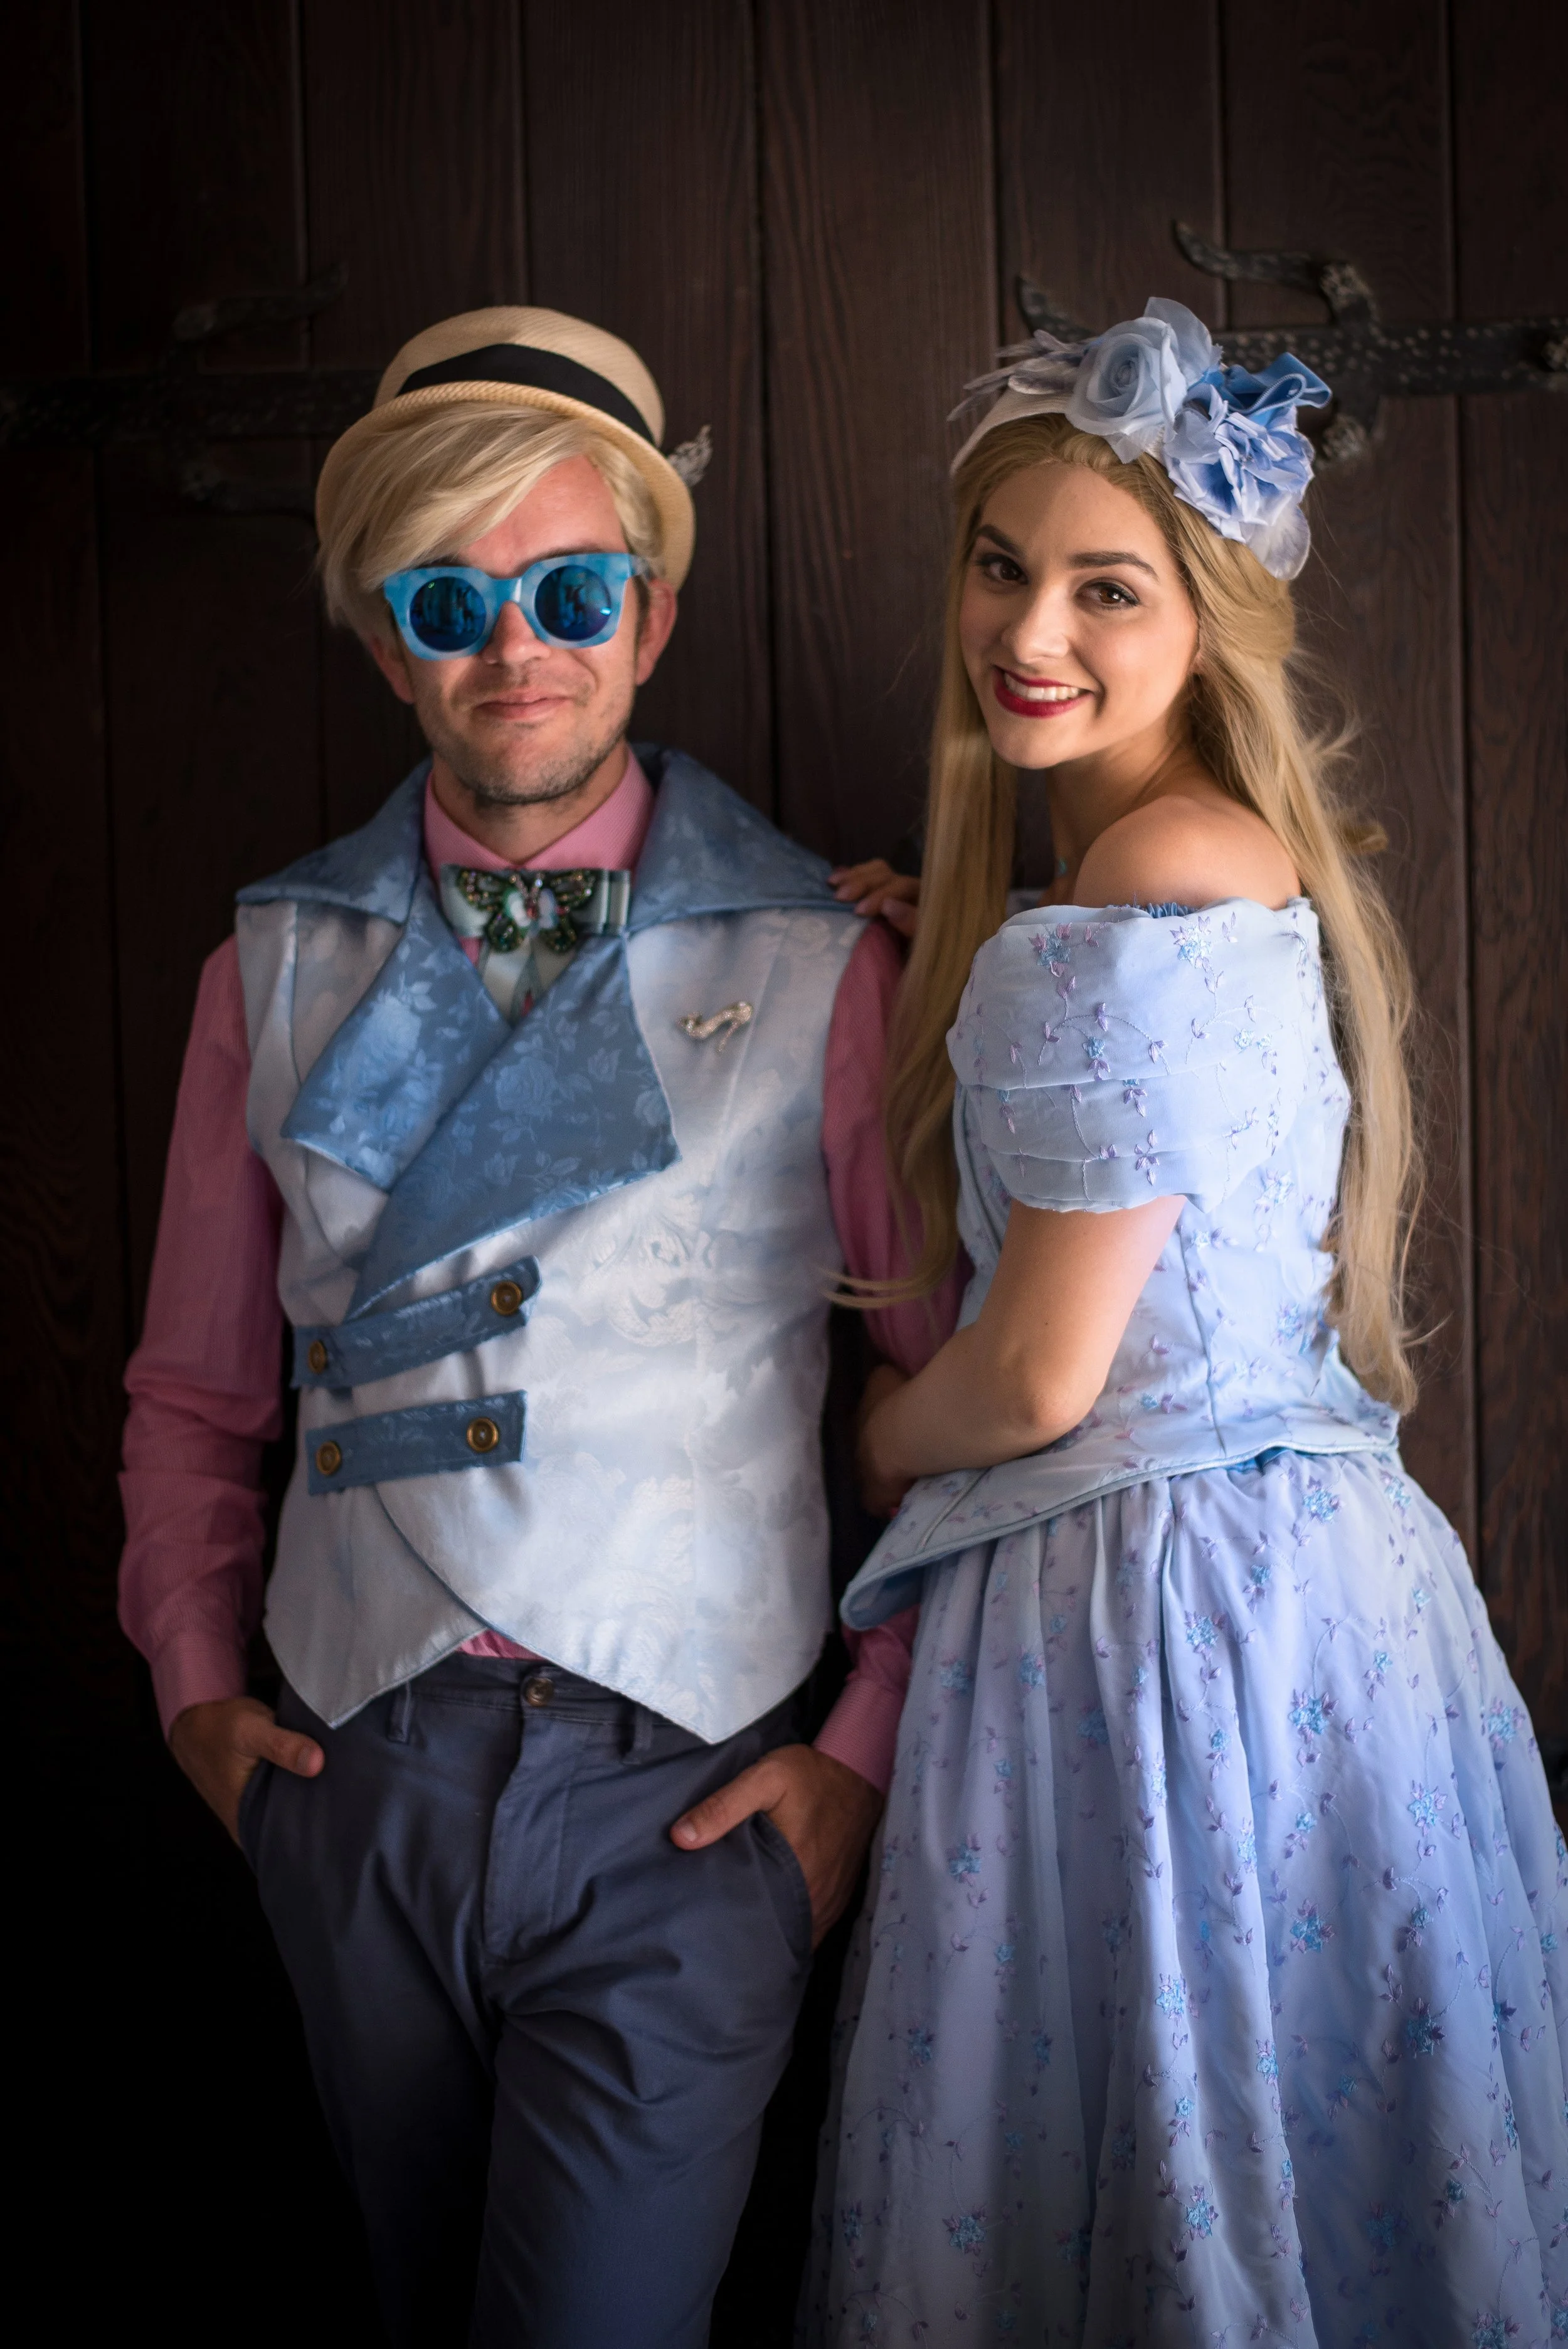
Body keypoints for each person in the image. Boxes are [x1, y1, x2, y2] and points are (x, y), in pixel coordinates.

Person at [117, 305, 951, 2349]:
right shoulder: (269, 964)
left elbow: (946, 1393)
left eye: (574, 590)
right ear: (388, 636)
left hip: (685, 1795)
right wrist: (199, 1697)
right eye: (452, 601)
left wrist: (862, 1752)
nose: (519, 650)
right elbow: (194, 1387)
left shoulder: (822, 957)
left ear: (650, 619)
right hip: (353, 1766)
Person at [804, 300, 1568, 2343]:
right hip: (1292, 1582)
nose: (1027, 629)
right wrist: (959, 958)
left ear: (1204, 624)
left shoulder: (1147, 885)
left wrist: (869, 1445)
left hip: (1164, 1608)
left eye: (1103, 588)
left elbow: (1039, 1375)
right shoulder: (1168, 876)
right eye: (999, 566)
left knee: (1168, 2171)